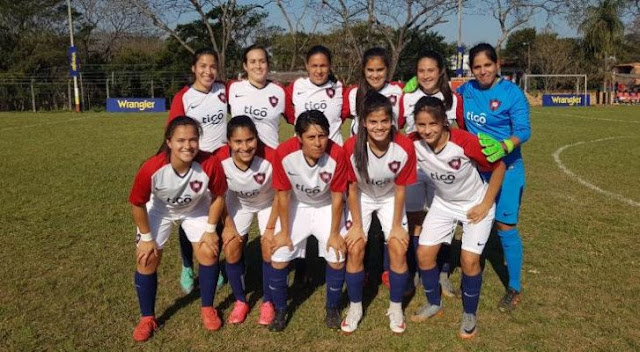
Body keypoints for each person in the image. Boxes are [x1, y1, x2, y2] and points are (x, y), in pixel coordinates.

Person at [408, 96, 506, 339]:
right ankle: (434, 302)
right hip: (443, 203)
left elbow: (499, 166)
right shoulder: (413, 143)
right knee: (424, 254)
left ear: (444, 122)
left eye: (432, 124)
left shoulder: (464, 142)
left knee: (469, 260)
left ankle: (469, 314)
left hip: (475, 203)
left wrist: (485, 204)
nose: (427, 130)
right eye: (421, 125)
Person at [129, 116, 227, 342]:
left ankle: (207, 307)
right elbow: (137, 203)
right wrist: (146, 237)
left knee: (209, 251)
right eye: (181, 140)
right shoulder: (151, 168)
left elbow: (219, 196)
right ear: (169, 142)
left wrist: (211, 229)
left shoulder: (210, 163)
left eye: (193, 140)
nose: (188, 145)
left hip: (195, 208)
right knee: (147, 258)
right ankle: (147, 318)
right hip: (160, 210)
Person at [456, 43, 531, 312]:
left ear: (497, 64)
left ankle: (514, 286)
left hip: (508, 169)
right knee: (472, 218)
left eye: (487, 65)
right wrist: (418, 80)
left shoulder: (512, 93)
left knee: (504, 225)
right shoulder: (466, 90)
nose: (482, 71)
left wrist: (504, 146)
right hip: (476, 171)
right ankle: (471, 271)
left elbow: (523, 130)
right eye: (477, 67)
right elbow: (443, 95)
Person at [342, 92, 416, 334]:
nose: (379, 127)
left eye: (384, 121)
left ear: (392, 121)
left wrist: (396, 226)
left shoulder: (404, 146)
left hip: (390, 198)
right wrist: (356, 227)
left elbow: (401, 188)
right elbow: (352, 188)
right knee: (355, 246)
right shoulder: (351, 147)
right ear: (363, 122)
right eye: (373, 122)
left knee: (397, 246)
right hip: (361, 197)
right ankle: (355, 306)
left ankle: (396, 307)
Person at [268, 110, 349, 332]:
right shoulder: (283, 153)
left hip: (325, 207)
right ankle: (281, 310)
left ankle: (332, 308)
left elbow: (337, 197)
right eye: (311, 137)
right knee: (279, 256)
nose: (318, 142)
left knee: (337, 254)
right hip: (298, 205)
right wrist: (284, 231)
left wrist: (334, 234)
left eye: (322, 136)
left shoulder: (338, 154)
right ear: (299, 138)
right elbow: (283, 195)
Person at [401, 50, 464, 297]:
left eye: (431, 70)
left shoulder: (453, 98)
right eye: (421, 71)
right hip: (415, 167)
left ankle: (443, 272)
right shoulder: (406, 97)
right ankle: (418, 269)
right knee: (416, 219)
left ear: (440, 72)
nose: (426, 75)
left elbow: (459, 133)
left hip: (445, 171)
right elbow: (399, 130)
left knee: (446, 221)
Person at [168, 48, 228, 295]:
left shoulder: (225, 91)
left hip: (222, 165)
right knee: (189, 218)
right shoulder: (184, 97)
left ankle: (214, 262)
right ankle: (186, 265)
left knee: (219, 216)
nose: (208, 71)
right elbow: (172, 135)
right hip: (194, 166)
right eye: (203, 66)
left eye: (213, 66)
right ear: (194, 68)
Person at [216, 116, 280, 326]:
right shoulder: (219, 159)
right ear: (229, 143)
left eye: (250, 140)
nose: (245, 147)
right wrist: (227, 226)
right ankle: (241, 300)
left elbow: (281, 194)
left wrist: (270, 228)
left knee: (269, 247)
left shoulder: (271, 156)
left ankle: (268, 302)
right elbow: (218, 195)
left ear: (257, 139)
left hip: (268, 203)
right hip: (239, 203)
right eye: (238, 142)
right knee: (232, 247)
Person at [285, 45, 348, 145]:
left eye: (323, 66)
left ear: (330, 65)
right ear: (307, 66)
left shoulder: (339, 88)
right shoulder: (296, 86)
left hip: (332, 153)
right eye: (314, 66)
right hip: (302, 153)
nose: (319, 71)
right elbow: (288, 114)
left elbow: (344, 114)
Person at [227, 44, 286, 149]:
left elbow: (298, 118)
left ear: (268, 64)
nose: (258, 66)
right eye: (252, 62)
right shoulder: (232, 87)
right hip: (240, 154)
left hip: (270, 157)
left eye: (262, 61)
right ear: (245, 66)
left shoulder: (280, 91)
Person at [343, 47, 404, 136]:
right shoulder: (353, 92)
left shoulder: (399, 90)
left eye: (380, 70)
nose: (375, 75)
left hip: (390, 147)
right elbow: (335, 118)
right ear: (364, 70)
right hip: (360, 148)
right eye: (370, 70)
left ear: (387, 69)